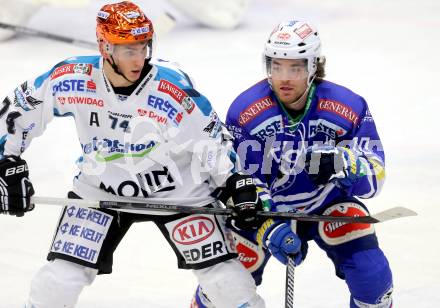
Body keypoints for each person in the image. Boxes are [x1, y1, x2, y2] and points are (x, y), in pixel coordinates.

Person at [0, 1, 267, 307]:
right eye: (129, 50)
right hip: (101, 188)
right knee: (57, 282)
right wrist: (6, 162)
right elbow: (17, 111)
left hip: (177, 192)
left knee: (225, 283)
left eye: (144, 47)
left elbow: (211, 138)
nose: (139, 58)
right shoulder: (72, 78)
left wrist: (235, 182)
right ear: (105, 47)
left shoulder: (171, 87)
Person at [192, 20, 393, 307]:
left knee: (373, 276)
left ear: (313, 67)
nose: (284, 77)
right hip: (264, 213)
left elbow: (376, 175)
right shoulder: (247, 111)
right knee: (221, 289)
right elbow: (241, 180)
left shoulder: (346, 107)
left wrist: (346, 163)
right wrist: (269, 225)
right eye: (276, 66)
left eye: (295, 68)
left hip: (326, 205)